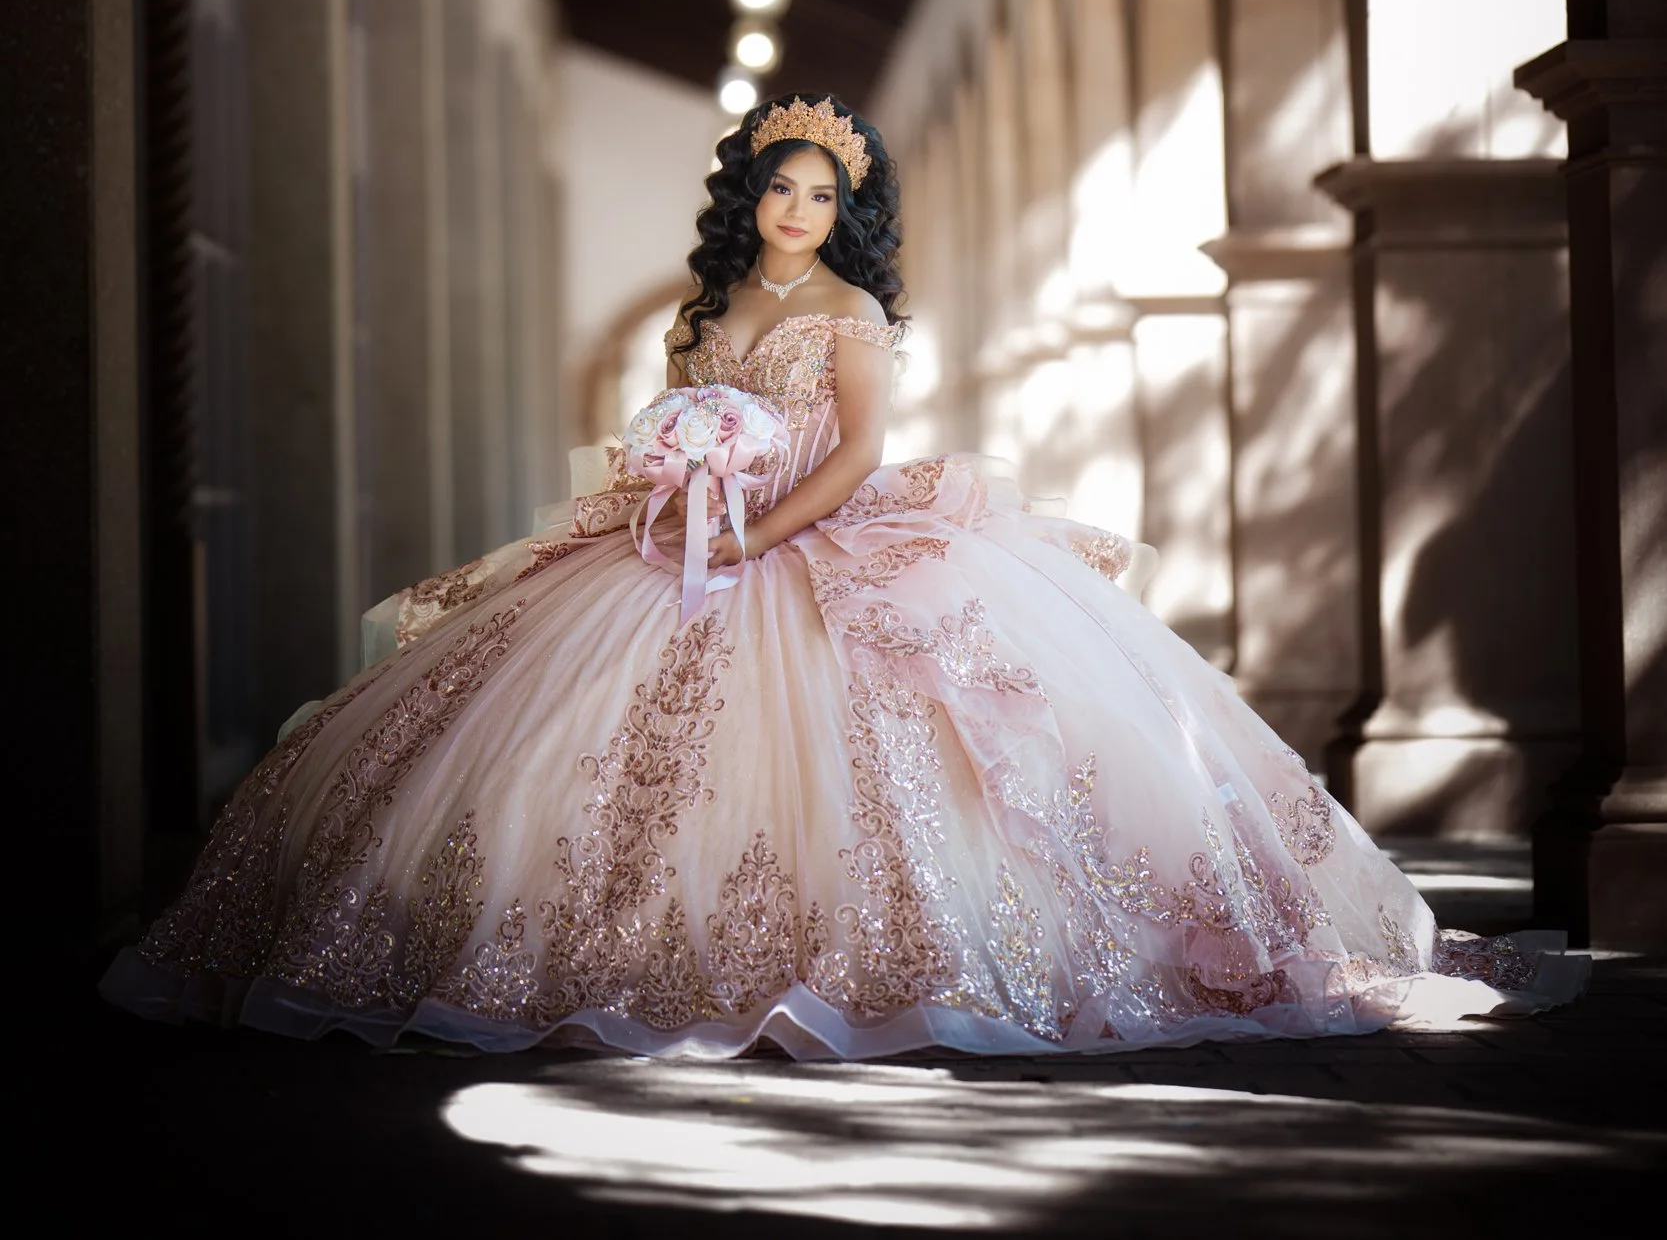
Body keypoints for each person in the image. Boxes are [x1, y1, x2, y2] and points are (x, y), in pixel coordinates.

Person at [103, 92, 1585, 1058]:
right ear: (744, 193)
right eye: (774, 187)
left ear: (844, 211)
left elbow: (861, 457)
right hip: (681, 537)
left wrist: (753, 526)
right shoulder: (706, 315)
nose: (792, 211)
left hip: (811, 538)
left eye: (816, 194)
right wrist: (674, 487)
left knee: (893, 749)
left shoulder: (855, 320)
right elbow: (664, 428)